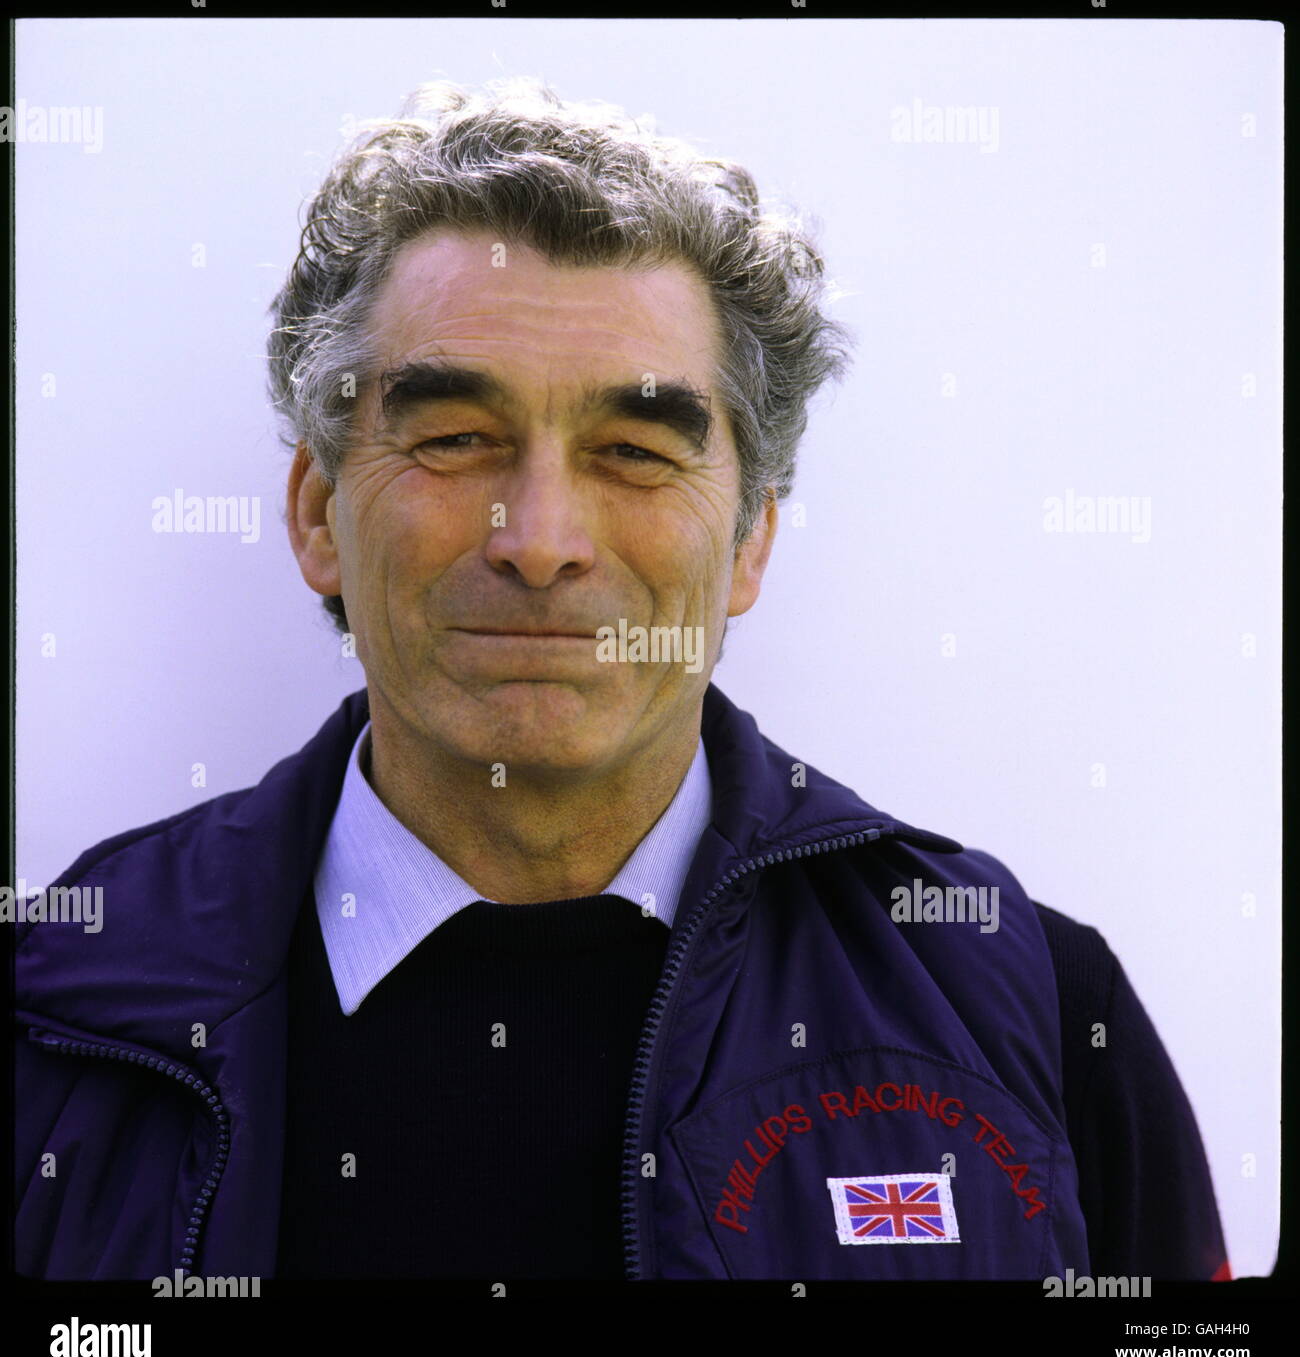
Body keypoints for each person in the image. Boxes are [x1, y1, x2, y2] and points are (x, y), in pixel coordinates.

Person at [15, 77, 1228, 1282]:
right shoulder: (58, 1004)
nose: (540, 538)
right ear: (321, 511)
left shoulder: (1033, 1010)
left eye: (635, 452)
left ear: (749, 538)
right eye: (454, 438)